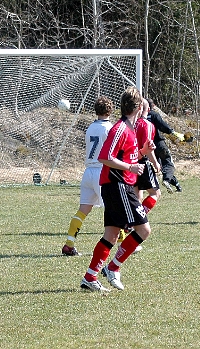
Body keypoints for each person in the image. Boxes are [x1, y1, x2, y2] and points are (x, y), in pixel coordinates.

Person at [80, 86, 155, 292]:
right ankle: (112, 268)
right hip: (117, 185)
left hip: (118, 185)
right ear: (139, 107)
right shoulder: (120, 128)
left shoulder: (129, 129)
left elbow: (125, 158)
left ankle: (90, 277)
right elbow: (104, 156)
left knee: (111, 235)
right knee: (144, 229)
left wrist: (142, 152)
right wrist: (131, 167)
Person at [62, 96, 113, 256]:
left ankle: (69, 244)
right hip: (101, 171)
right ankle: (125, 244)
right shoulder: (110, 128)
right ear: (110, 110)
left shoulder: (90, 127)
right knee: (112, 210)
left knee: (83, 210)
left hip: (88, 172)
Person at [146, 99, 184, 192]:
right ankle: (166, 180)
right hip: (159, 144)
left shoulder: (138, 118)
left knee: (163, 166)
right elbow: (163, 126)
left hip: (148, 147)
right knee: (169, 164)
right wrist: (172, 132)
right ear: (152, 106)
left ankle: (177, 185)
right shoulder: (154, 115)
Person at [135, 99, 162, 214]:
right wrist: (155, 162)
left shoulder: (130, 123)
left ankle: (127, 225)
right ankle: (137, 220)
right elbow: (148, 146)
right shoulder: (147, 125)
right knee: (155, 193)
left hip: (129, 162)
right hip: (142, 162)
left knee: (137, 197)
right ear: (149, 110)